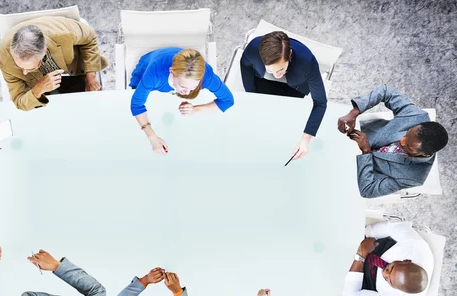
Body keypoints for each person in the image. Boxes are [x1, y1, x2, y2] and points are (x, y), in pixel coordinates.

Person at [337, 85, 448, 198]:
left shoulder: (414, 177)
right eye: (406, 134)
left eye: (408, 146)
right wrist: (354, 112)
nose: (401, 141)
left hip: (349, 169)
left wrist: (366, 151)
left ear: (424, 154)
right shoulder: (416, 117)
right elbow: (387, 91)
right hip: (346, 135)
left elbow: (368, 190)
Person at [129, 48, 235, 155]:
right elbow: (136, 104)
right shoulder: (154, 74)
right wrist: (152, 137)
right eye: (183, 87)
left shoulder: (206, 76)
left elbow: (228, 100)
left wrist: (195, 109)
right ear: (172, 72)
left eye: (194, 87)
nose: (187, 92)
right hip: (151, 66)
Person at [240, 31, 327, 160]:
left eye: (280, 69)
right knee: (257, 119)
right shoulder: (253, 48)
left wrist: (306, 139)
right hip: (263, 81)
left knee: (284, 123)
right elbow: (245, 64)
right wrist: (251, 95)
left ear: (290, 55)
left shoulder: (307, 62)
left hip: (294, 88)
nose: (276, 75)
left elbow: (320, 103)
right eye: (271, 70)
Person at [0, 16, 108, 111]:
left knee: (90, 108)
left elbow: (90, 37)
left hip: (73, 70)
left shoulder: (64, 33)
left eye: (31, 67)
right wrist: (37, 90)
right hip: (37, 86)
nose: (24, 72)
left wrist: (90, 76)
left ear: (44, 52)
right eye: (18, 65)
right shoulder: (2, 59)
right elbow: (19, 101)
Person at [343, 220, 433, 296]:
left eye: (389, 280)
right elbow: (392, 226)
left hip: (366, 278)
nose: (385, 273)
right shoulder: (416, 245)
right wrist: (366, 235)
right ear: (406, 261)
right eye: (391, 268)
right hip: (378, 247)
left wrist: (361, 255)